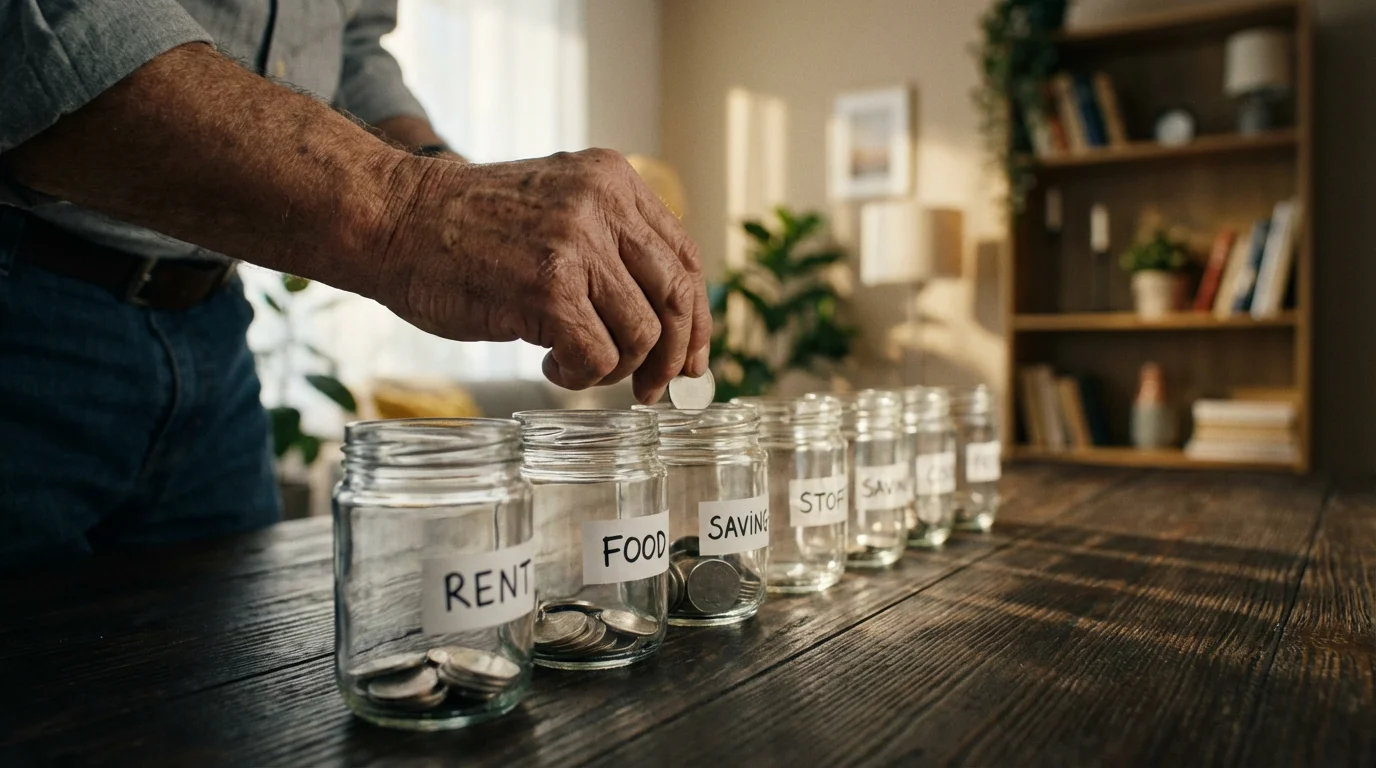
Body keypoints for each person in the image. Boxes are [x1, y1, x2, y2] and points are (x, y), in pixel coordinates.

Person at [0, 0, 711, 568]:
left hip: (212, 324)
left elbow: (352, 48)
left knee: (227, 714)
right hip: (26, 298)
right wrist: (412, 208)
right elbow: (45, 27)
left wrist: (459, 182)